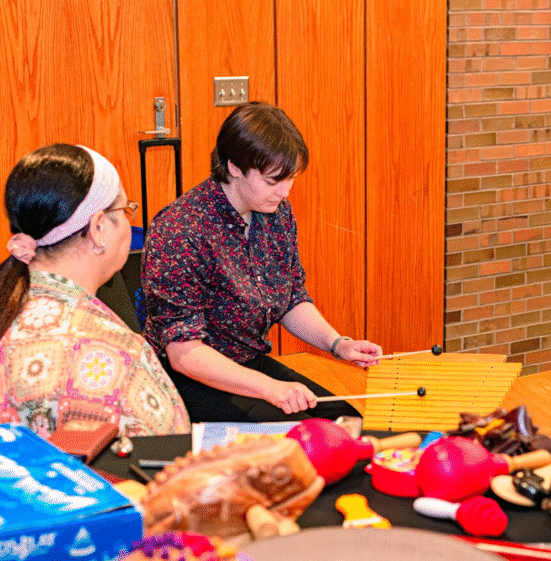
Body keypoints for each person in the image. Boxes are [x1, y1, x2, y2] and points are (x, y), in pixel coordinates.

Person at [142, 102, 382, 423]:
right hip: (189, 378)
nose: (284, 192)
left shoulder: (276, 213)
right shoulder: (180, 230)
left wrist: (337, 344)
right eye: (272, 181)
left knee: (345, 422)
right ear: (234, 167)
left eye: (290, 178)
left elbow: (292, 299)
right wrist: (270, 388)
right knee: (295, 435)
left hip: (248, 363)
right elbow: (184, 354)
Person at [0, 144, 190, 438]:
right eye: (125, 210)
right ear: (98, 227)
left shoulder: (11, 306)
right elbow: (170, 450)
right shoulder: (115, 355)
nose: (128, 223)